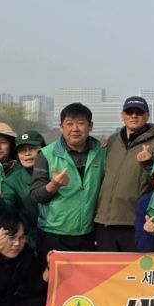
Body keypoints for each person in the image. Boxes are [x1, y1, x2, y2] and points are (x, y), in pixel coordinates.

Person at [30, 103, 105, 263]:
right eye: (69, 123)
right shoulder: (46, 154)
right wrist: (53, 185)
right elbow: (36, 195)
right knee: (50, 277)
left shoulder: (101, 152)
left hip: (88, 234)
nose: (75, 129)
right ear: (61, 127)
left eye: (81, 123)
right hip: (53, 233)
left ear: (90, 126)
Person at [94, 96, 154, 251]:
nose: (134, 116)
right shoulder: (113, 140)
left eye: (139, 112)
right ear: (122, 115)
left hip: (135, 221)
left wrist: (149, 162)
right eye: (129, 112)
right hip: (103, 221)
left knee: (133, 267)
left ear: (147, 116)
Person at [0, 130, 46, 250]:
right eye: (22, 151)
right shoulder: (12, 181)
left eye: (32, 149)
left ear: (43, 150)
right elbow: (7, 213)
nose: (27, 154)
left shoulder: (56, 173)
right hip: (29, 240)